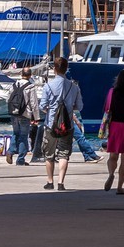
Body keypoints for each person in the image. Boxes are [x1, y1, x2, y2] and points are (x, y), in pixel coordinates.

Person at [37, 57, 83, 191]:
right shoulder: (74, 87)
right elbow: (80, 106)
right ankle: (61, 182)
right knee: (64, 153)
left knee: (49, 153)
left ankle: (50, 181)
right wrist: (69, 108)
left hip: (51, 123)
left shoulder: (48, 86)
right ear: (66, 68)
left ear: (55, 69)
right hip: (67, 124)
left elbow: (42, 106)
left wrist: (51, 110)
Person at [6, 73, 33, 166]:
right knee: (24, 136)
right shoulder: (30, 86)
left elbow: (7, 99)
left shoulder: (14, 85)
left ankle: (10, 151)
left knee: (15, 133)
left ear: (21, 74)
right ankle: (20, 159)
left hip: (14, 113)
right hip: (24, 114)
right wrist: (36, 116)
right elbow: (34, 102)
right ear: (30, 75)